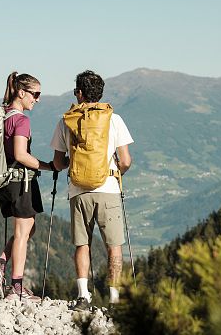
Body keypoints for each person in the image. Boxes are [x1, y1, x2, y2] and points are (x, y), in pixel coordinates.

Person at [50, 70, 134, 310]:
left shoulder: (66, 120)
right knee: (114, 246)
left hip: (78, 190)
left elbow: (57, 162)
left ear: (79, 92)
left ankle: (83, 297)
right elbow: (125, 160)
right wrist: (116, 172)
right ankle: (115, 299)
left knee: (82, 244)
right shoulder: (114, 119)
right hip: (108, 187)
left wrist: (72, 164)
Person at [0, 71, 56, 302]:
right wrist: (48, 166)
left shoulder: (3, 115)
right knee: (23, 233)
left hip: (5, 181)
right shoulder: (22, 120)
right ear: (21, 92)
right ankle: (16, 287)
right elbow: (21, 154)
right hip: (21, 181)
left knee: (28, 229)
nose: (38, 99)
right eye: (35, 94)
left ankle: (0, 264)